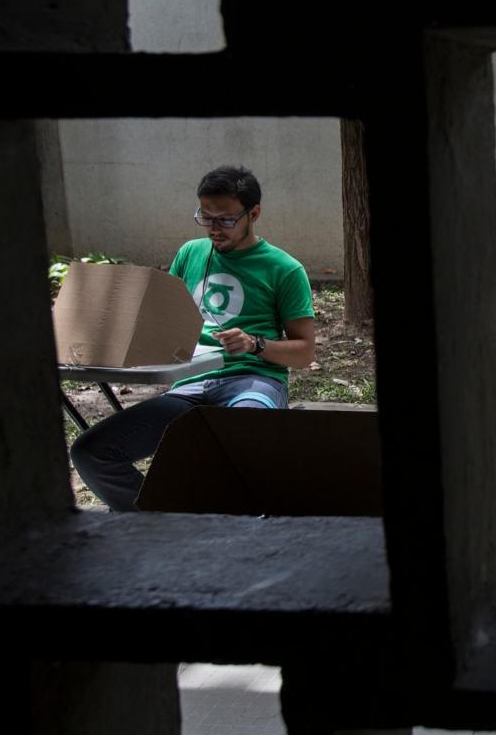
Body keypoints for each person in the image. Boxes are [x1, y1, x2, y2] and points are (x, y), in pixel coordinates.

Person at [70, 165, 316, 511]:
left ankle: (235, 529)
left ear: (254, 213)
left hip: (252, 381)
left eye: (226, 219)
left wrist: (255, 344)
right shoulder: (191, 253)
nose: (215, 228)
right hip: (189, 384)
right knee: (91, 453)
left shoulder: (284, 269)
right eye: (206, 216)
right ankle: (163, 522)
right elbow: (165, 321)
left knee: (242, 444)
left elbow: (305, 352)